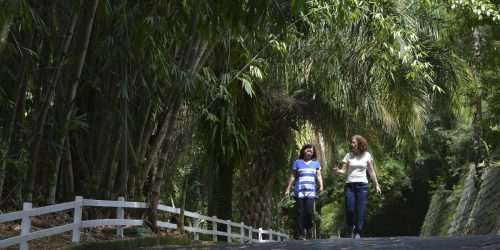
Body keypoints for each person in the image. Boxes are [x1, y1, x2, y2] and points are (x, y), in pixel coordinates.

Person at [333, 135, 381, 238]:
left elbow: (371, 171)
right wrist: (338, 171)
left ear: (360, 143)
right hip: (349, 185)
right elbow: (344, 170)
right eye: (352, 142)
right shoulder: (348, 155)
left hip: (362, 185)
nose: (352, 144)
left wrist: (376, 185)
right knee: (350, 210)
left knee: (360, 210)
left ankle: (358, 232)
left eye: (354, 142)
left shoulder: (367, 155)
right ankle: (350, 227)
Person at [285, 144, 324, 240]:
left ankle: (309, 226)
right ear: (303, 151)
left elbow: (318, 175)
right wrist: (288, 188)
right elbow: (293, 176)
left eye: (311, 151)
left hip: (311, 191)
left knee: (309, 212)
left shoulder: (316, 163)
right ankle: (301, 234)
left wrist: (321, 186)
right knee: (299, 213)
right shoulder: (297, 162)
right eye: (308, 150)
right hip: (299, 191)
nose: (309, 152)